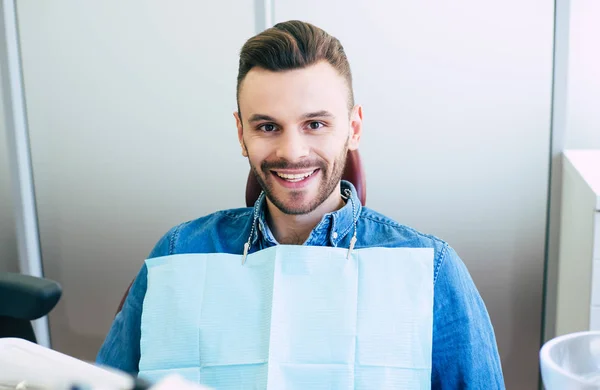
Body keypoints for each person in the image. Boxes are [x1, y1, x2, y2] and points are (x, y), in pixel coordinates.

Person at [97, 20, 505, 388]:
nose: (292, 152)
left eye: (315, 124)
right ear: (241, 134)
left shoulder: (430, 270)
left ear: (354, 128)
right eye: (267, 126)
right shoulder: (180, 253)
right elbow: (100, 384)